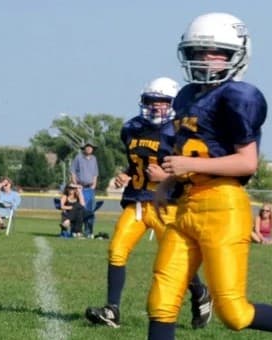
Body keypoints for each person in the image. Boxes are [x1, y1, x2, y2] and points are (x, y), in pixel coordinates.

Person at [147, 12, 272, 339]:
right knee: (161, 300)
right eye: (198, 51)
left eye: (215, 52)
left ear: (237, 55)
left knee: (233, 312)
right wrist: (168, 183)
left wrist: (189, 167)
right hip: (187, 206)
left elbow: (247, 163)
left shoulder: (239, 96)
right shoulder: (187, 95)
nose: (204, 58)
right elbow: (195, 152)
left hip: (223, 206)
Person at [85, 77, 211, 330]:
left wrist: (166, 176)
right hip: (137, 202)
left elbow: (195, 170)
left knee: (174, 260)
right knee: (117, 250)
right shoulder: (131, 128)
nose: (155, 106)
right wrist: (126, 174)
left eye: (162, 102)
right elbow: (138, 162)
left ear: (173, 103)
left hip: (167, 204)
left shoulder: (182, 131)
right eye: (151, 101)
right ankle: (112, 309)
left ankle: (199, 293)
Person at [72, 142, 99, 234]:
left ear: (93, 149)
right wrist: (76, 185)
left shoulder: (94, 159)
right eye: (87, 147)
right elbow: (73, 172)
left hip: (90, 189)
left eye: (91, 147)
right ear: (84, 148)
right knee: (78, 210)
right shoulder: (78, 158)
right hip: (80, 188)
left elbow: (95, 173)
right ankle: (76, 231)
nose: (89, 149)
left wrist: (94, 185)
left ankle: (88, 232)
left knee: (90, 210)